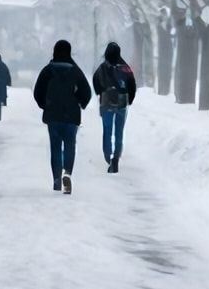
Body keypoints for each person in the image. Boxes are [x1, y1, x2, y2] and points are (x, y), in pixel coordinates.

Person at [32, 40, 92, 194]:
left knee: (55, 147)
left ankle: (57, 179)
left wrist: (45, 105)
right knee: (70, 145)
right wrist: (79, 102)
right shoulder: (75, 71)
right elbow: (86, 92)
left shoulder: (48, 70)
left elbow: (37, 91)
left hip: (53, 115)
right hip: (71, 116)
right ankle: (67, 173)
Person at [92, 42, 138, 173]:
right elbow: (132, 85)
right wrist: (130, 99)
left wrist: (101, 92)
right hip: (122, 103)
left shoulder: (102, 67)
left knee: (107, 131)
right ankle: (116, 157)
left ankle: (108, 156)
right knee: (119, 132)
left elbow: (95, 82)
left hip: (106, 103)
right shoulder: (125, 68)